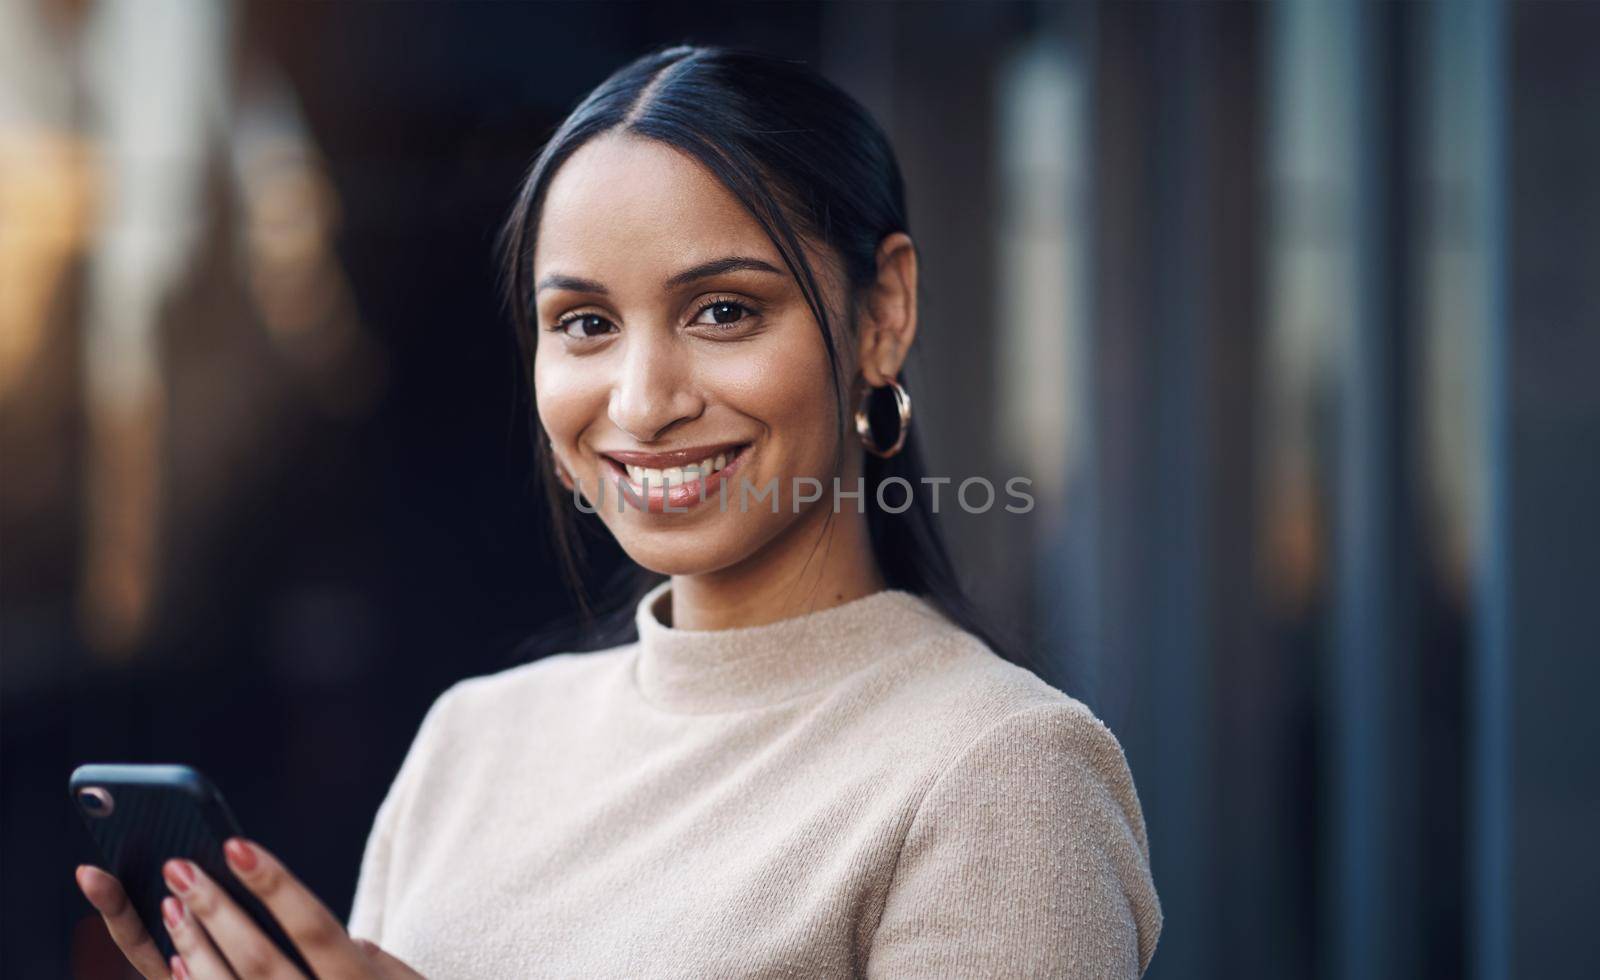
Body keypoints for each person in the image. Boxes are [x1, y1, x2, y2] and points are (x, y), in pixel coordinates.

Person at [74, 43, 1163, 979]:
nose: (643, 401)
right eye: (585, 323)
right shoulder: (474, 742)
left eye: (725, 310)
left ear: (883, 314)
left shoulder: (999, 770)